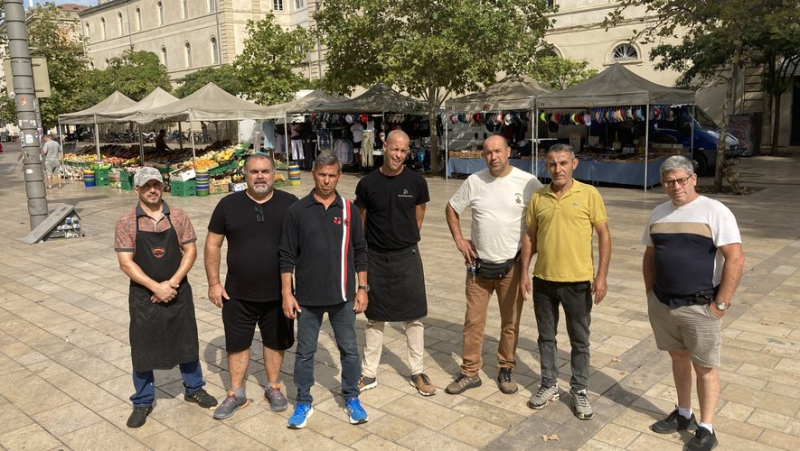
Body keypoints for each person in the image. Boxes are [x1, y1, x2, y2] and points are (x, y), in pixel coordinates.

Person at [642, 156, 744, 451]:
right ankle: (684, 413)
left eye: (681, 180)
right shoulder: (658, 213)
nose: (676, 187)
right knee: (678, 358)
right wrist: (651, 295)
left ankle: (707, 427)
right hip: (663, 304)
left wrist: (721, 304)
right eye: (669, 182)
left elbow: (735, 257)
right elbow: (649, 257)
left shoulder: (715, 211)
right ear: (663, 184)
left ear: (694, 179)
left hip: (700, 306)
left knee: (705, 368)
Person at [114, 167, 217, 429]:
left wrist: (172, 283)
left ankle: (194, 388)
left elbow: (190, 251)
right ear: (136, 189)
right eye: (146, 186)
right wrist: (154, 287)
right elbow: (126, 263)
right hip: (143, 296)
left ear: (162, 187)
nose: (152, 190)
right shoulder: (127, 222)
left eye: (156, 185)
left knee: (186, 339)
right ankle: (143, 400)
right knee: (143, 345)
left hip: (178, 291)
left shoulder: (178, 216)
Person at [445, 135, 543, 395]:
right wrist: (459, 240)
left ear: (508, 151)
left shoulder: (528, 183)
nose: (493, 157)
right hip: (479, 268)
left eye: (498, 151)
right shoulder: (474, 181)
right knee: (473, 322)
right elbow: (452, 208)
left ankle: (506, 368)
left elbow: (539, 220)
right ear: (483, 155)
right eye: (488, 152)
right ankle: (469, 372)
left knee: (510, 322)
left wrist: (529, 256)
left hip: (511, 266)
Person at [279, 152, 369, 429]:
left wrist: (363, 287)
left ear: (338, 177)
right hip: (307, 299)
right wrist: (287, 293)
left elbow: (360, 250)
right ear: (313, 174)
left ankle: (351, 397)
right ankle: (303, 401)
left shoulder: (348, 209)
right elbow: (286, 256)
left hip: (343, 297)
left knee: (350, 350)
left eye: (332, 175)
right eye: (322, 175)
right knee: (305, 352)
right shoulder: (297, 210)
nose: (326, 180)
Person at [205, 153, 298, 419]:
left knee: (275, 341)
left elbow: (305, 244)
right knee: (237, 344)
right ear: (245, 175)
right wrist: (213, 282)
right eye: (254, 172)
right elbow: (212, 244)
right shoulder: (228, 205)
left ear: (274, 174)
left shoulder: (290, 204)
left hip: (278, 294)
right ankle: (236, 394)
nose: (260, 176)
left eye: (265, 171)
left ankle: (273, 387)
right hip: (237, 293)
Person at [522, 143, 611, 420]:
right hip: (543, 280)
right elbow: (530, 237)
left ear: (574, 164)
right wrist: (524, 271)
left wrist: (602, 276)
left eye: (562, 163)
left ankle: (580, 389)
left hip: (577, 282)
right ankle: (549, 384)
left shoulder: (589, 194)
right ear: (546, 166)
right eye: (551, 164)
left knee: (579, 340)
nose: (557, 169)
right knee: (546, 337)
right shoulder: (538, 197)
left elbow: (604, 235)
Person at [354, 130, 435, 396]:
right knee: (374, 318)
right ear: (384, 147)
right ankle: (369, 373)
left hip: (407, 257)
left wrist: (404, 239)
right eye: (394, 149)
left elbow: (418, 217)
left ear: (407, 152)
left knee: (414, 318)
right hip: (376, 258)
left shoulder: (416, 181)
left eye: (403, 150)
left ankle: (417, 371)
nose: (398, 155)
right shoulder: (367, 184)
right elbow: (361, 224)